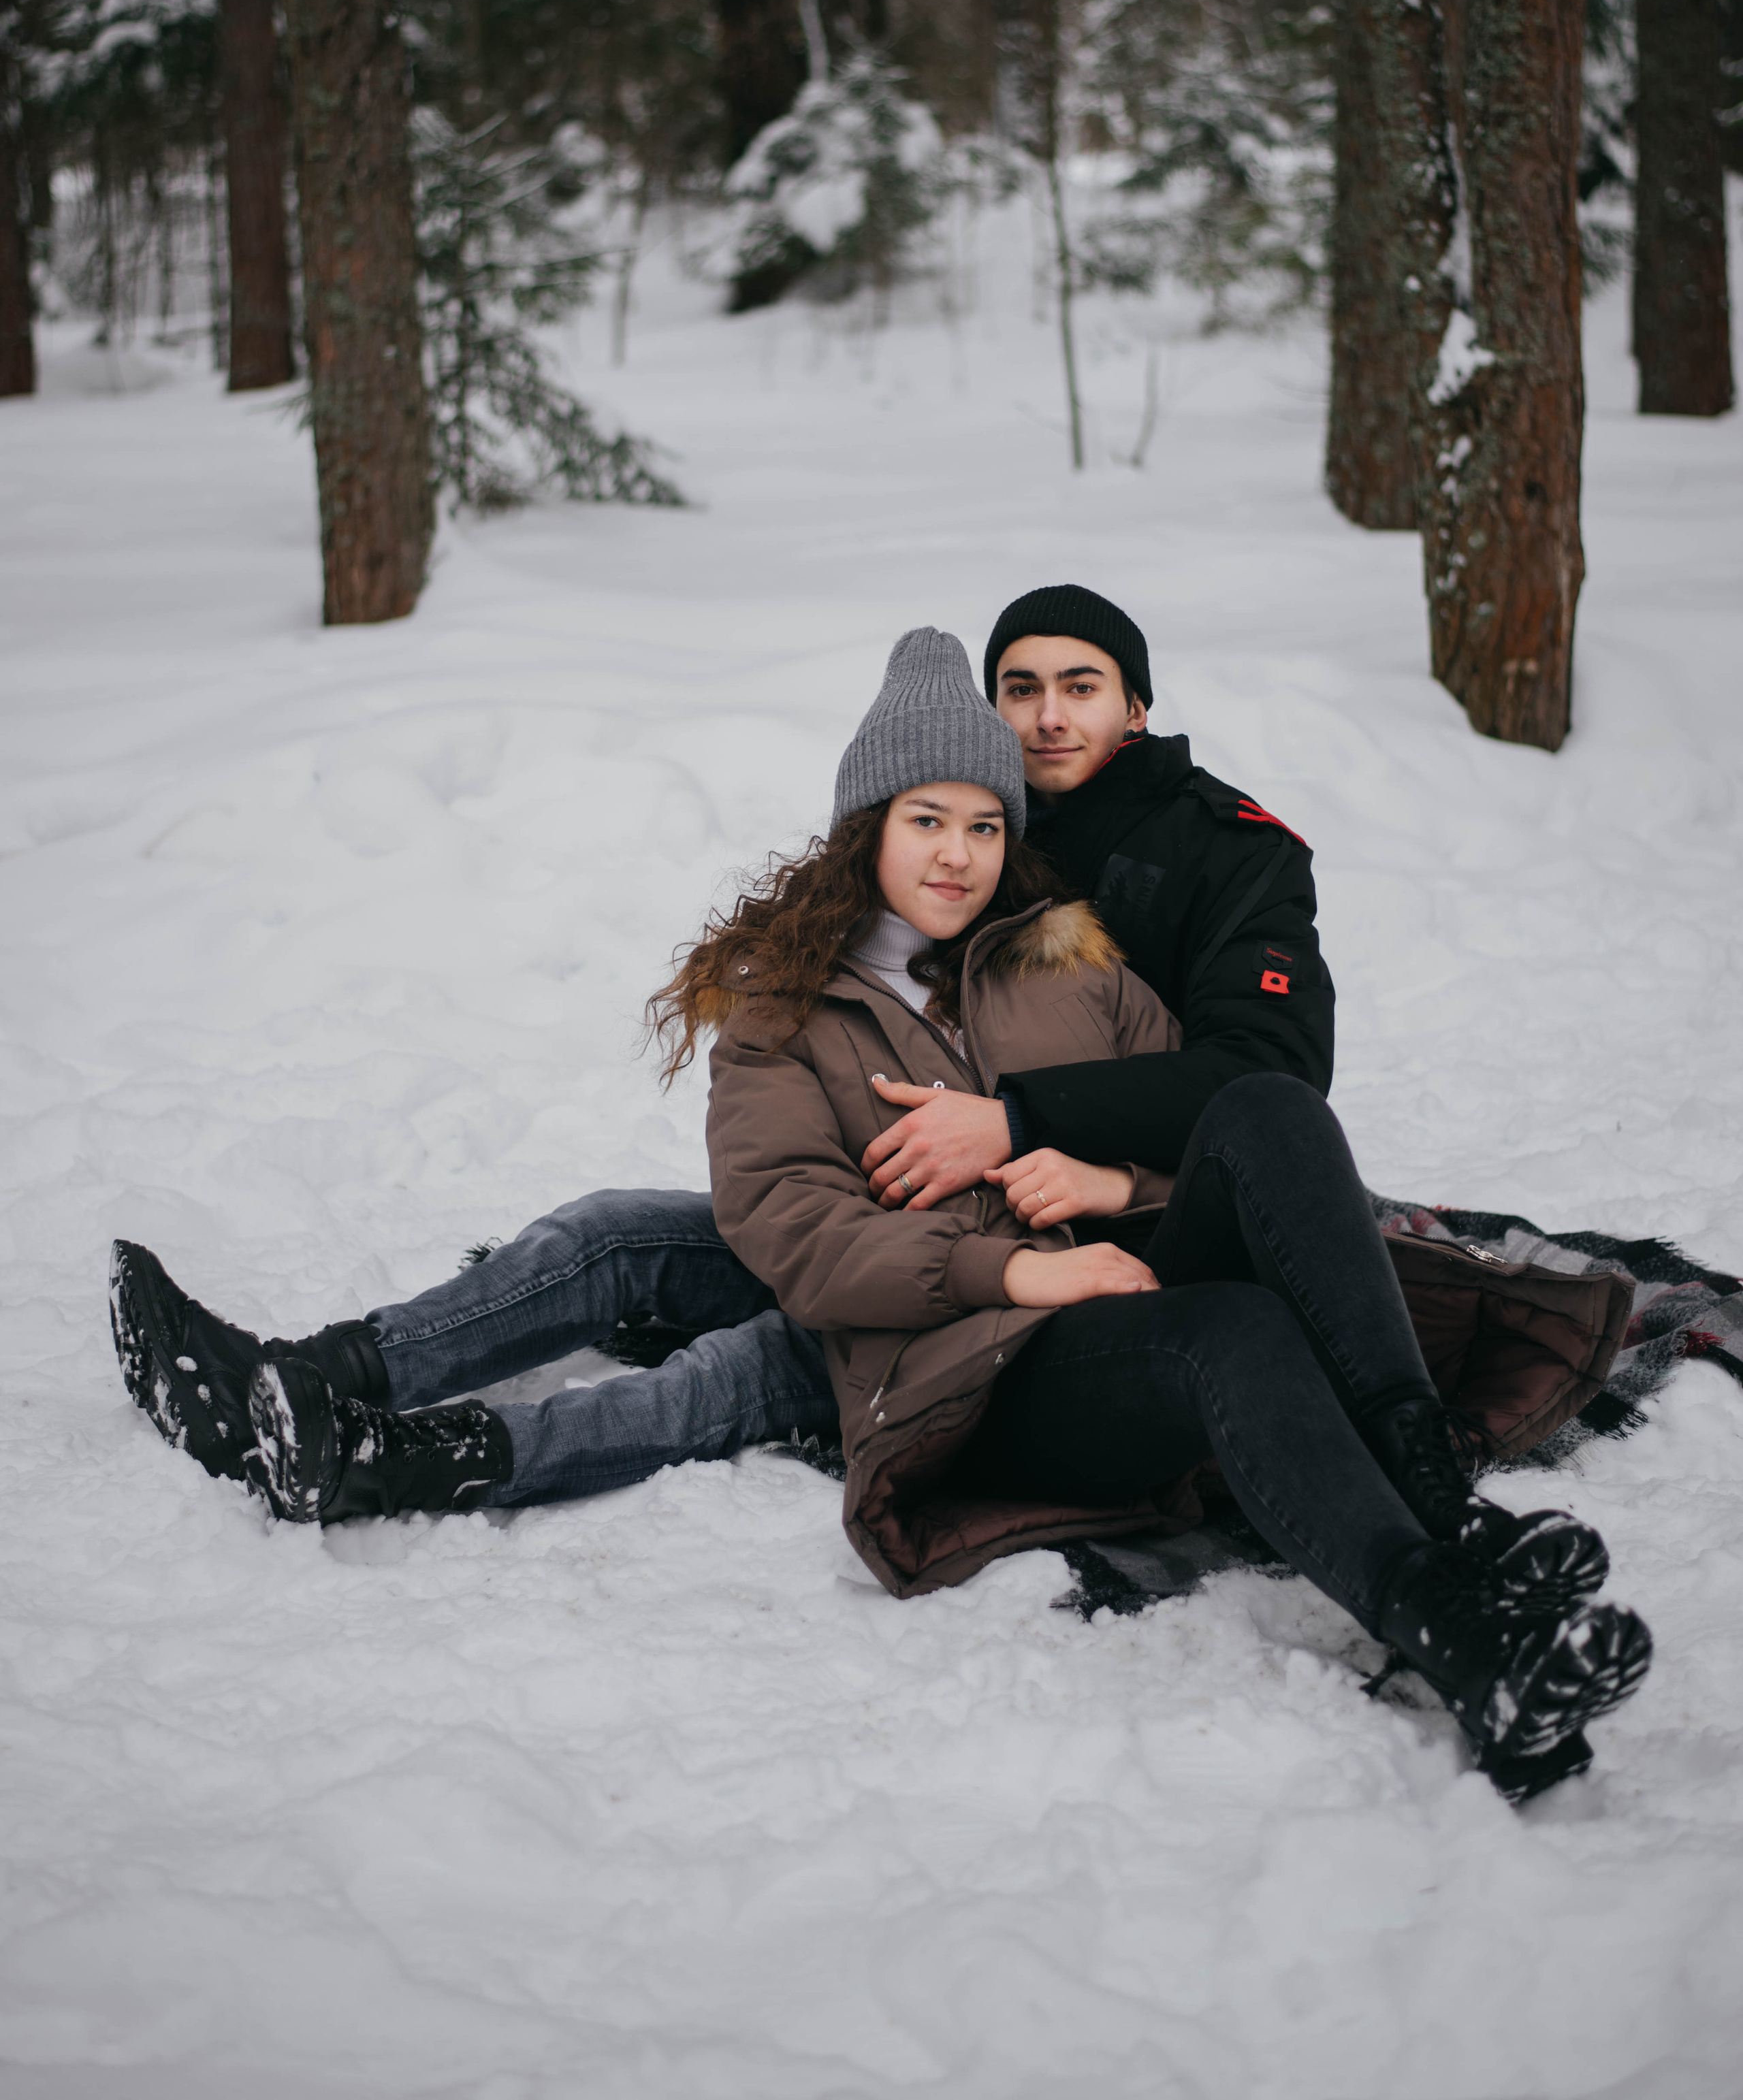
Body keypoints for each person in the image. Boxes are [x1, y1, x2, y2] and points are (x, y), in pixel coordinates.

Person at [110, 583, 1345, 1510]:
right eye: (1019, 688)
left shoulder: (1167, 881)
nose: (1046, 717)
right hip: (888, 1226)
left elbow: (1250, 1100)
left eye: (1082, 687)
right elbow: (795, 1198)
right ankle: (308, 1371)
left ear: (1136, 704)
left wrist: (1076, 1159)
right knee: (609, 1234)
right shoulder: (948, 885)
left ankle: (392, 1461)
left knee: (736, 1371)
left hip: (1034, 1268)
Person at [683, 629, 1652, 1797]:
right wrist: (1019, 1271)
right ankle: (1456, 1633)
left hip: (1124, 1308)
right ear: (867, 828)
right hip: (973, 1382)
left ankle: (1443, 1508)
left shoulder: (1071, 964)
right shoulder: (783, 1019)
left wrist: (1108, 1189)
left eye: (985, 824)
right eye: (925, 820)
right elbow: (802, 1238)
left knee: (1263, 1104)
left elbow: (1206, 1142)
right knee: (1229, 1325)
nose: (959, 855)